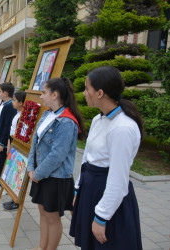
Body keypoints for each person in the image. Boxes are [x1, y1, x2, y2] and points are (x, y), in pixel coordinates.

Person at [69, 66, 143, 250]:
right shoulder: (98, 119)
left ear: (100, 93)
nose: (84, 93)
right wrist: (78, 189)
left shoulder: (122, 128)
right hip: (91, 189)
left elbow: (118, 179)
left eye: (87, 89)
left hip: (109, 197)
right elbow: (87, 158)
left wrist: (101, 217)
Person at [27, 77, 85, 250]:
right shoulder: (47, 114)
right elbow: (35, 143)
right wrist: (31, 167)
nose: (41, 96)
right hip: (41, 175)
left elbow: (57, 156)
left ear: (55, 94)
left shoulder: (67, 121)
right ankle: (41, 246)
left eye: (44, 93)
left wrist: (37, 173)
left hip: (56, 178)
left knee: (52, 218)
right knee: (43, 214)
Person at [3, 90, 26, 211]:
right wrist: (8, 145)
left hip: (17, 148)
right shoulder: (17, 114)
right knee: (12, 172)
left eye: (15, 100)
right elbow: (11, 132)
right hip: (12, 144)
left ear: (21, 103)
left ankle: (16, 201)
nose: (13, 102)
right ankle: (12, 198)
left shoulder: (23, 117)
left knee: (18, 174)